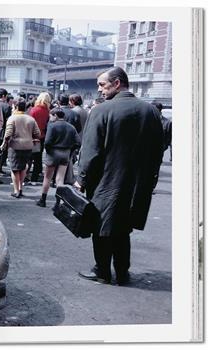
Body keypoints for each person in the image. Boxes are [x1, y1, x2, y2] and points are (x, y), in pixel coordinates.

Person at [76, 67, 164, 285]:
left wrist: (82, 179)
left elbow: (90, 152)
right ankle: (122, 272)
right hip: (137, 185)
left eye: (102, 85)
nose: (99, 90)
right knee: (123, 228)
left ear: (117, 84)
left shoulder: (101, 111)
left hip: (106, 182)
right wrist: (150, 179)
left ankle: (103, 271)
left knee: (102, 228)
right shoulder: (151, 111)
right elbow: (158, 150)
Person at [36, 107, 80, 207]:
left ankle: (43, 200)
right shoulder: (71, 127)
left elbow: (47, 142)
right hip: (65, 153)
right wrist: (70, 151)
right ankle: (58, 202)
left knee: (47, 177)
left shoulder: (52, 126)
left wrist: (49, 151)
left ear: (55, 115)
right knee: (60, 179)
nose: (50, 118)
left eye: (50, 116)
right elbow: (78, 142)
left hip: (53, 153)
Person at [0, 97, 40, 198]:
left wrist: (4, 144)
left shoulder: (12, 118)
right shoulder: (31, 119)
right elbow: (37, 133)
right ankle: (21, 188)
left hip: (15, 146)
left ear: (16, 107)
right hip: (28, 146)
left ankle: (16, 190)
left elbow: (8, 134)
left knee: (15, 169)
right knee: (23, 167)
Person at [27, 92, 51, 185]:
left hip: (32, 136)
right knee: (38, 157)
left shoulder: (33, 110)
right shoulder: (48, 111)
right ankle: (35, 177)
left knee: (29, 157)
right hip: (42, 136)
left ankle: (26, 176)